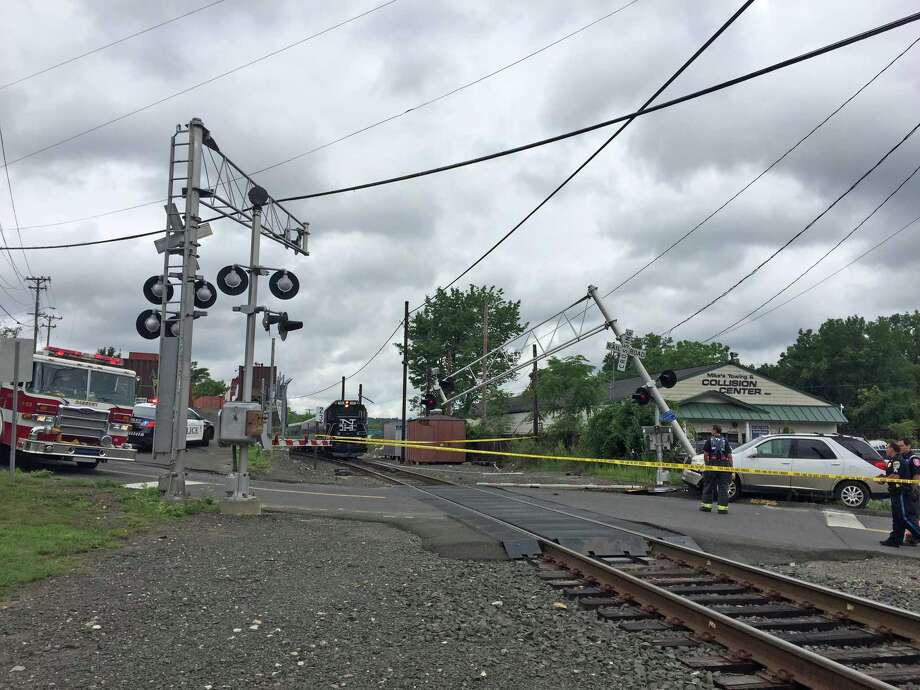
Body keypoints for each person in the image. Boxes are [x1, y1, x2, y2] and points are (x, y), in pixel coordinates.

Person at [880, 440, 920, 548]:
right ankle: (894, 540)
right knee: (897, 517)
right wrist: (883, 478)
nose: (886, 450)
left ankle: (916, 536)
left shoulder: (899, 460)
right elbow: (892, 475)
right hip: (895, 491)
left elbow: (896, 476)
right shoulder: (893, 460)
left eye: (887, 448)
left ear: (892, 449)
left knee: (904, 517)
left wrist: (915, 489)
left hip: (901, 491)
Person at [700, 425, 733, 515]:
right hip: (724, 466)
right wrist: (731, 468)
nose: (711, 431)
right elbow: (729, 456)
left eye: (712, 430)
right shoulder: (725, 441)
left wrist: (707, 465)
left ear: (715, 430)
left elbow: (705, 455)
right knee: (723, 487)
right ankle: (723, 509)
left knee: (709, 485)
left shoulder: (709, 440)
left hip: (712, 464)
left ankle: (706, 507)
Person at [899, 438, 920, 547]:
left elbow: (917, 474)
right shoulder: (902, 457)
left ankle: (913, 538)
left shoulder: (913, 458)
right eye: (899, 446)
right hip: (904, 489)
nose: (900, 447)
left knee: (912, 514)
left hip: (912, 490)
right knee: (904, 514)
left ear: (908, 446)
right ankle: (906, 537)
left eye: (902, 445)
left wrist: (914, 489)